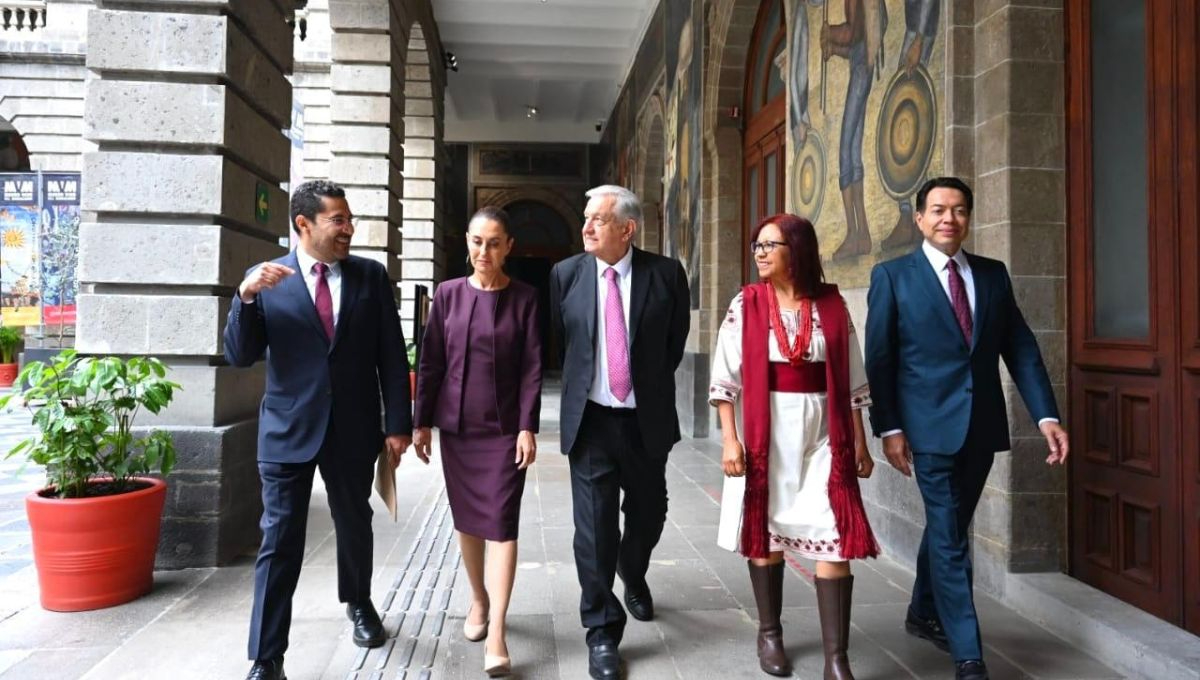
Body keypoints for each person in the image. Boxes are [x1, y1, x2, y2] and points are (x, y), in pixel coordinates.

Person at [864, 177, 1070, 680]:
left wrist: (1047, 416)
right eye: (937, 210)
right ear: (919, 219)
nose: (947, 219)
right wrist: (888, 426)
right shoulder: (892, 276)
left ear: (968, 218)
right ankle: (968, 653)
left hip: (980, 428)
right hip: (926, 429)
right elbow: (880, 359)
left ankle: (920, 612)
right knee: (954, 538)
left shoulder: (993, 275)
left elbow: (1020, 348)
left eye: (957, 210)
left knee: (948, 525)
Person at [224, 180, 412, 680]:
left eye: (349, 220)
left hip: (352, 427)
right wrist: (242, 299)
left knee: (355, 523)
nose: (349, 228)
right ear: (303, 224)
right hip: (287, 431)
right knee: (279, 539)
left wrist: (398, 424)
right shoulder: (266, 280)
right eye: (339, 220)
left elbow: (391, 355)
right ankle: (267, 657)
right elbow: (239, 355)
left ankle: (359, 602)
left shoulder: (370, 277)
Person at [711, 213, 878, 679]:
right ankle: (770, 634)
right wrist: (731, 439)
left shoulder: (831, 304)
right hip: (770, 433)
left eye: (771, 245)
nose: (760, 253)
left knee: (838, 535)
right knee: (766, 530)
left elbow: (852, 377)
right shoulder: (746, 303)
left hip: (828, 431)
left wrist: (861, 444)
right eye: (756, 246)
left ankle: (836, 657)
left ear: (798, 250)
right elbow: (725, 378)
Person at [549, 185, 689, 679]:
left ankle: (634, 572)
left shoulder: (667, 274)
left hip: (644, 420)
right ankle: (602, 630)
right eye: (586, 218)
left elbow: (673, 346)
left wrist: (638, 390)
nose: (586, 227)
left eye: (597, 220)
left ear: (626, 229)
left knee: (648, 514)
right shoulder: (565, 275)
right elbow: (564, 348)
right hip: (591, 424)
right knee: (594, 529)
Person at [413, 206, 543, 677]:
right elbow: (429, 362)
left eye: (493, 242)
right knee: (468, 521)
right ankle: (477, 599)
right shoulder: (447, 296)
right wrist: (421, 422)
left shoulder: (526, 298)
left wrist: (529, 425)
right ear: (466, 243)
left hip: (505, 430)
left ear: (509, 246)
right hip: (459, 430)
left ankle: (498, 631)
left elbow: (532, 367)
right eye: (475, 242)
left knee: (503, 523)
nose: (483, 252)